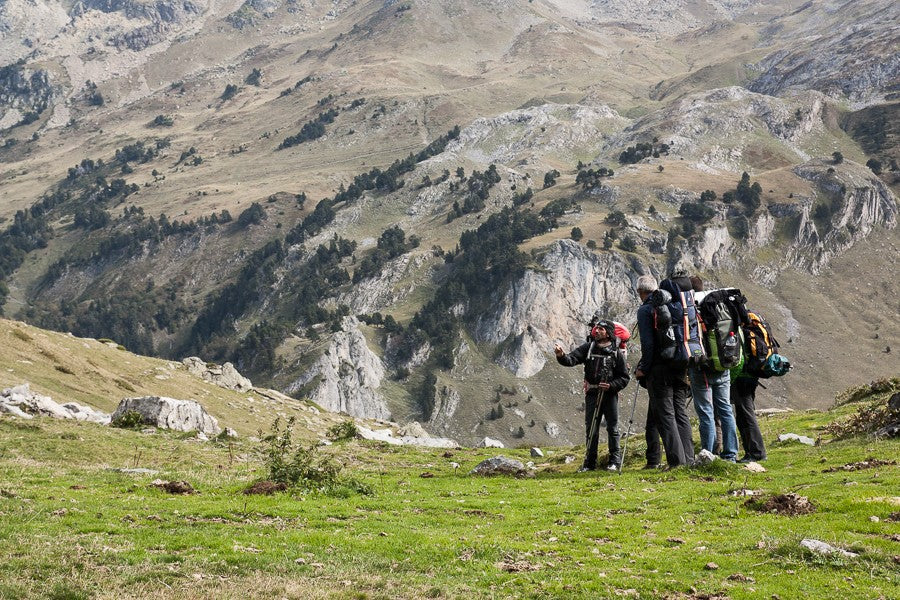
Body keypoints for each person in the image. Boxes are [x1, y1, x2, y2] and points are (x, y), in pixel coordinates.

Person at [635, 274, 694, 468]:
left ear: (640, 292)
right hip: (681, 363)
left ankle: (677, 462)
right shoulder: (676, 306)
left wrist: (643, 368)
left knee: (666, 415)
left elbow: (648, 343)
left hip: (660, 369)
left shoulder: (646, 309)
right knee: (680, 413)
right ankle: (689, 459)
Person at [555, 319, 630, 471]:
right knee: (592, 428)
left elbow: (624, 377)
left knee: (613, 429)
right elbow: (571, 359)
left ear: (608, 333)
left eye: (601, 329)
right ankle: (589, 464)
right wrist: (561, 356)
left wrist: (611, 386)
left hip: (610, 395)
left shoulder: (616, 352)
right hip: (592, 394)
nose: (597, 331)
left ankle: (614, 462)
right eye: (597, 329)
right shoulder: (588, 348)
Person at [688, 276, 739, 462]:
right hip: (724, 363)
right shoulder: (717, 301)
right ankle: (731, 453)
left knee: (706, 412)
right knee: (725, 409)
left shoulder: (693, 306)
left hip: (703, 368)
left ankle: (707, 454)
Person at [731, 374, 767, 462]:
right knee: (742, 416)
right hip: (748, 378)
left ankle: (757, 453)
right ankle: (750, 452)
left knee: (747, 415)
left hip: (742, 380)